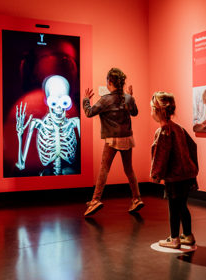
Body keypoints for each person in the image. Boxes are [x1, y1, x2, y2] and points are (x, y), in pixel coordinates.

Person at [83, 68, 144, 216]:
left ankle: (95, 200)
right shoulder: (128, 98)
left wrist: (86, 99)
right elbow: (135, 112)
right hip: (127, 138)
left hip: (112, 139)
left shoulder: (105, 99)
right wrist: (131, 97)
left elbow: (89, 112)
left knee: (104, 169)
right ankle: (136, 198)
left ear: (109, 82)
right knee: (129, 170)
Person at [150, 91, 199, 249]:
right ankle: (188, 235)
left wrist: (156, 174)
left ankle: (174, 238)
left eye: (152, 108)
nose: (151, 111)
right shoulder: (179, 128)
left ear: (159, 111)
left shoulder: (164, 131)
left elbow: (161, 155)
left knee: (173, 207)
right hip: (187, 175)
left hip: (175, 178)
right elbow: (193, 147)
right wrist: (193, 168)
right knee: (183, 206)